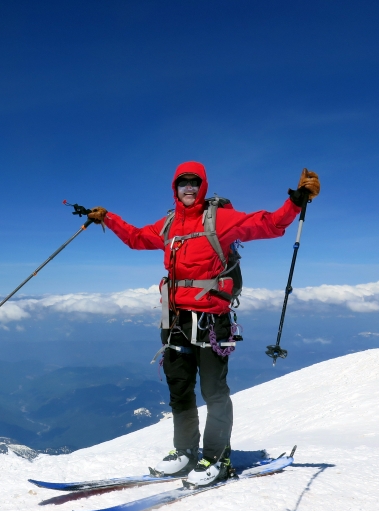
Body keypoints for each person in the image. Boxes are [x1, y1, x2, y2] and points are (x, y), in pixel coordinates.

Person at [87, 162, 320, 487]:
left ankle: (216, 457)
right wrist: (108, 218)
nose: (188, 189)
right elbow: (137, 238)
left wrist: (296, 201)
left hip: (212, 323)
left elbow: (266, 224)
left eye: (194, 183)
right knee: (180, 391)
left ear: (203, 186)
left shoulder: (219, 219)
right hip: (175, 322)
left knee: (214, 392)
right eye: (182, 183)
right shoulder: (169, 224)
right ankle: (185, 452)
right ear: (174, 188)